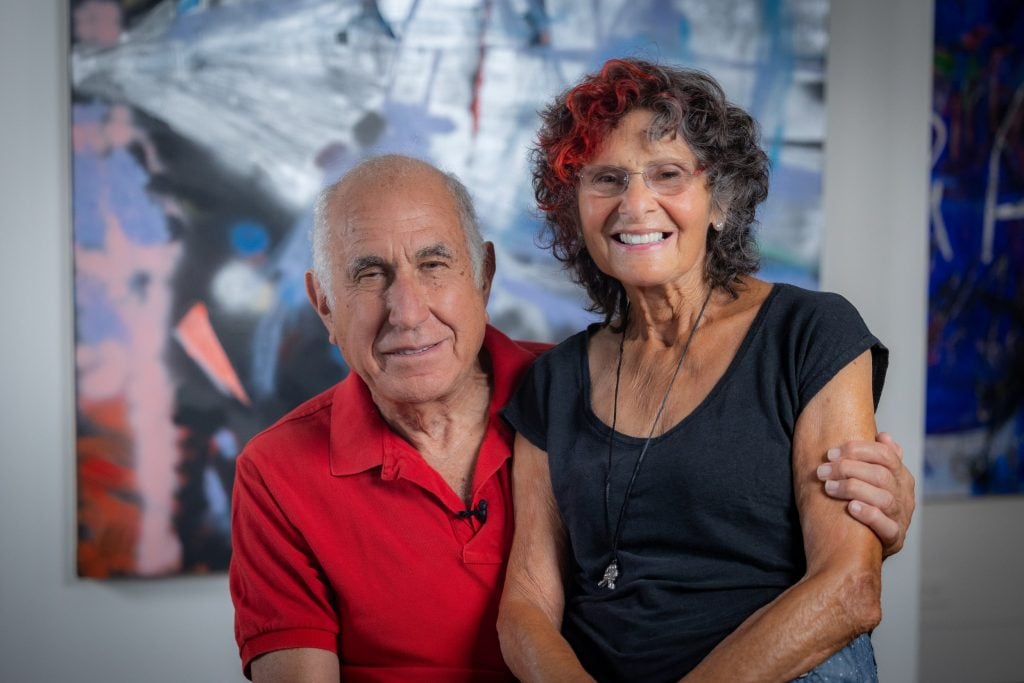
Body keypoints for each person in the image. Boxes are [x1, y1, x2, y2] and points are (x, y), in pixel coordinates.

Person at [229, 154, 914, 682]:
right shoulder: (275, 472)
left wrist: (861, 508)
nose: (407, 310)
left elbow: (723, 504)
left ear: (484, 275)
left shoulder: (581, 388)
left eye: (434, 263)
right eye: (369, 274)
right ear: (323, 304)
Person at [497, 59, 897, 682]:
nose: (635, 203)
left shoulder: (809, 333)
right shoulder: (553, 384)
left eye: (668, 174)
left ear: (721, 201)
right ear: (574, 213)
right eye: (606, 179)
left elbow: (849, 588)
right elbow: (525, 605)